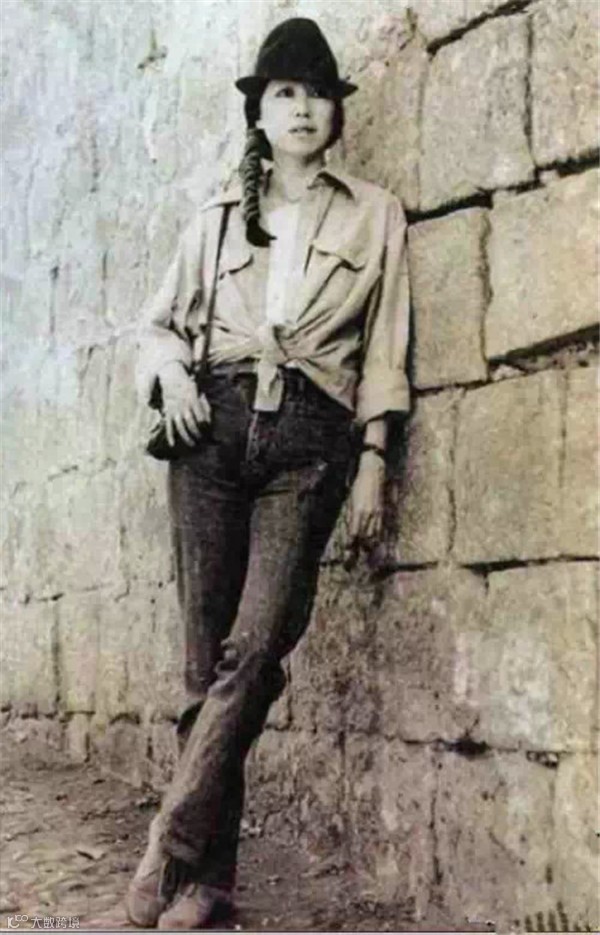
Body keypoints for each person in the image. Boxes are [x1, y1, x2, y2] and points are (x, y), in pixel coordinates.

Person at [126, 17, 410, 930]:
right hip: (208, 433)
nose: (302, 108)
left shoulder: (375, 214)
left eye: (317, 94)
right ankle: (207, 884)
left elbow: (386, 347)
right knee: (203, 662)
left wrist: (373, 460)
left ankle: (169, 843)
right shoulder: (214, 217)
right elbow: (158, 327)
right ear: (259, 112)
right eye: (284, 93)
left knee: (254, 650)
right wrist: (171, 377)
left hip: (308, 442)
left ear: (336, 116)